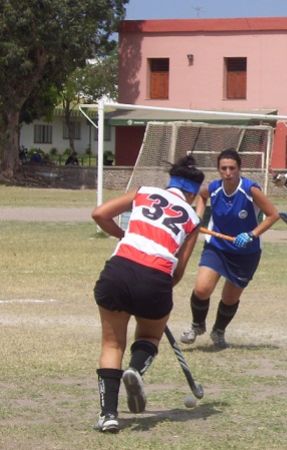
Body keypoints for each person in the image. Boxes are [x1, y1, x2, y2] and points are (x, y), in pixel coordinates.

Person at [90, 156, 205, 433]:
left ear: (171, 183)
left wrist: (123, 235)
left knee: (112, 344)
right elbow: (178, 272)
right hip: (156, 277)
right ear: (192, 193)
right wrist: (158, 289)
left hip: (118, 270)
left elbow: (100, 214)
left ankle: (108, 416)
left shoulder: (144, 192)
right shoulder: (192, 218)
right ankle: (136, 370)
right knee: (150, 336)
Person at [180, 148, 280, 349]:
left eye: (232, 168)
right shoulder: (214, 187)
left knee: (229, 297)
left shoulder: (250, 190)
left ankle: (219, 330)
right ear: (218, 170)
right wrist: (198, 218)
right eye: (223, 168)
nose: (228, 172)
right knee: (202, 288)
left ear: (239, 169)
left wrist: (251, 234)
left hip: (246, 253)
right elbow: (201, 196)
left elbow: (273, 215)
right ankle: (197, 325)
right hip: (217, 246)